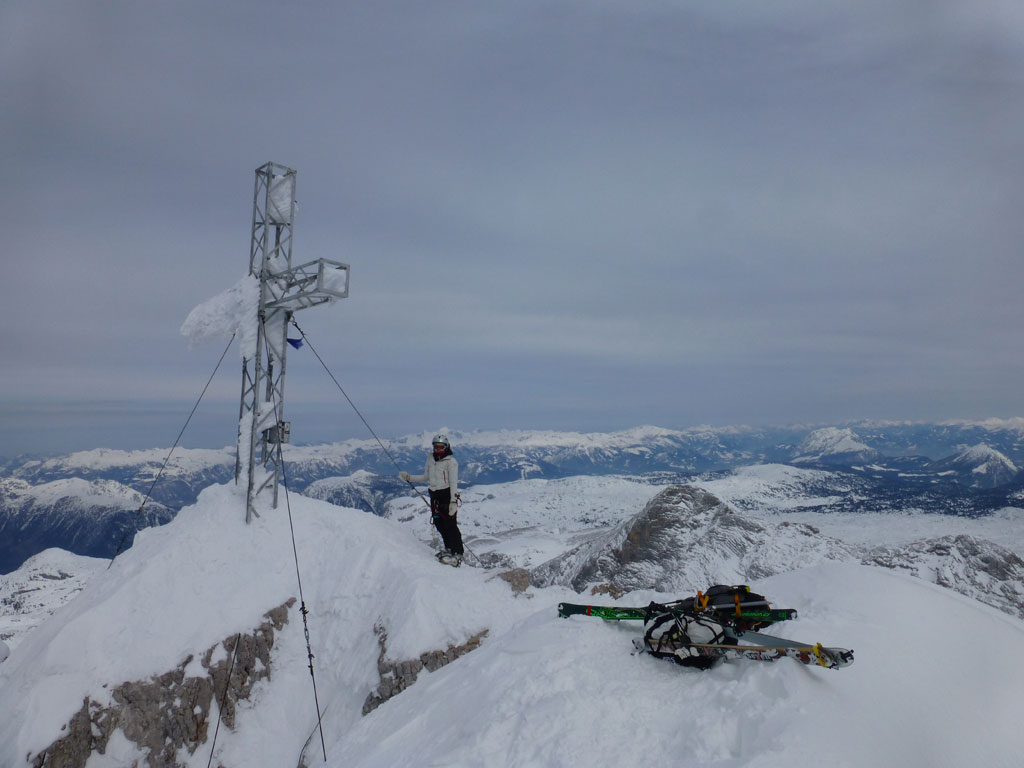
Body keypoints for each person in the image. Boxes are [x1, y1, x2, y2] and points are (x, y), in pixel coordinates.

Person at [400, 432, 463, 563]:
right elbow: (426, 477)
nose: (437, 450)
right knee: (439, 524)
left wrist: (453, 501)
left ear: (446, 447)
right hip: (434, 495)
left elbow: (453, 482)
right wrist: (409, 477)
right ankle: (449, 549)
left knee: (450, 525)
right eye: (436, 447)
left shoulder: (451, 462)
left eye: (440, 447)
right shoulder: (430, 459)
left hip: (446, 495)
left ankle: (457, 553)